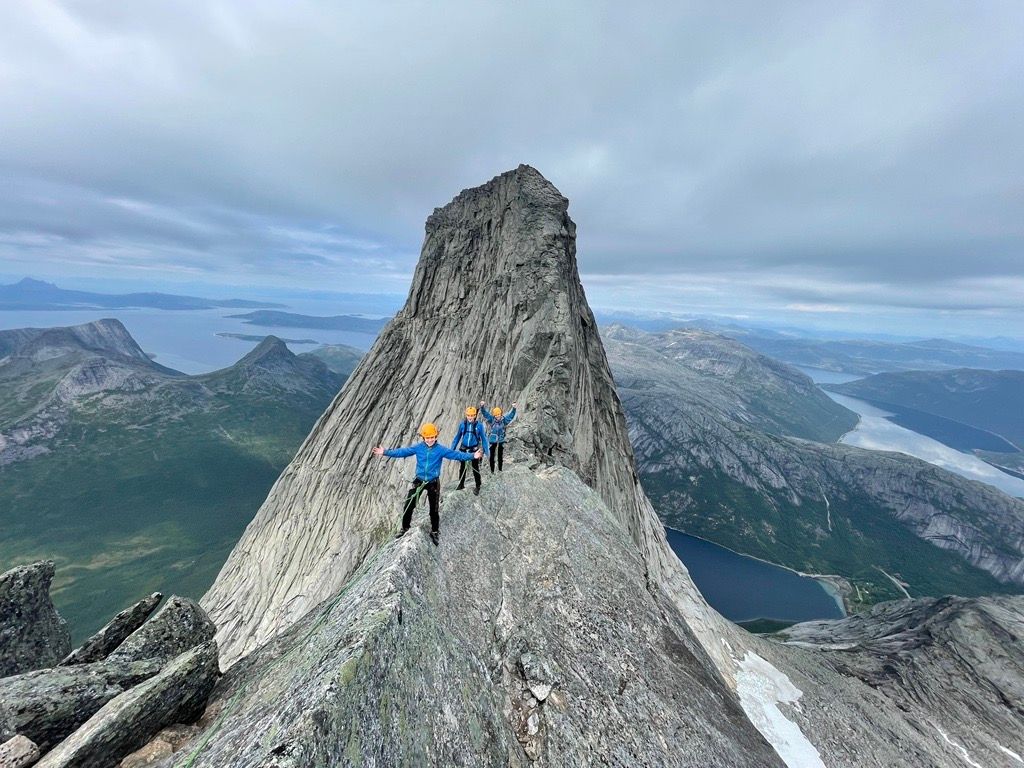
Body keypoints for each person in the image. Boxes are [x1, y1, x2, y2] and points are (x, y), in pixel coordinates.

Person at [372, 422, 482, 545]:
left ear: (436, 437)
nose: (430, 440)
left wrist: (473, 455)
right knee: (409, 505)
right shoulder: (418, 447)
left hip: (433, 482)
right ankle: (405, 527)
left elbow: (456, 455)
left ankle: (435, 531)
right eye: (428, 437)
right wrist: (385, 452)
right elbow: (402, 452)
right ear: (423, 438)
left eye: (432, 437)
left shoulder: (440, 450)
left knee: (433, 510)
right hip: (419, 480)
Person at [452, 406, 489, 495]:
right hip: (464, 448)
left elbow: (484, 439)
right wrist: (452, 449)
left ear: (475, 416)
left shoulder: (479, 426)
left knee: (475, 467)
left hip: (474, 449)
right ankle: (461, 484)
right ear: (466, 415)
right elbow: (457, 437)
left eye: (472, 415)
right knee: (462, 467)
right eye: (468, 415)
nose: (470, 417)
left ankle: (478, 486)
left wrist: (487, 452)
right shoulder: (462, 425)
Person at [480, 400, 517, 473]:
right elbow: (485, 414)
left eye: (498, 414)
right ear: (494, 415)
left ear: (501, 413)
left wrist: (514, 408)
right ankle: (492, 471)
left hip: (500, 440)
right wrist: (482, 407)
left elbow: (511, 416)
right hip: (492, 440)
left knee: (500, 455)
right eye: (496, 415)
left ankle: (500, 470)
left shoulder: (504, 420)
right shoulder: (492, 419)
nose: (497, 416)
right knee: (492, 456)